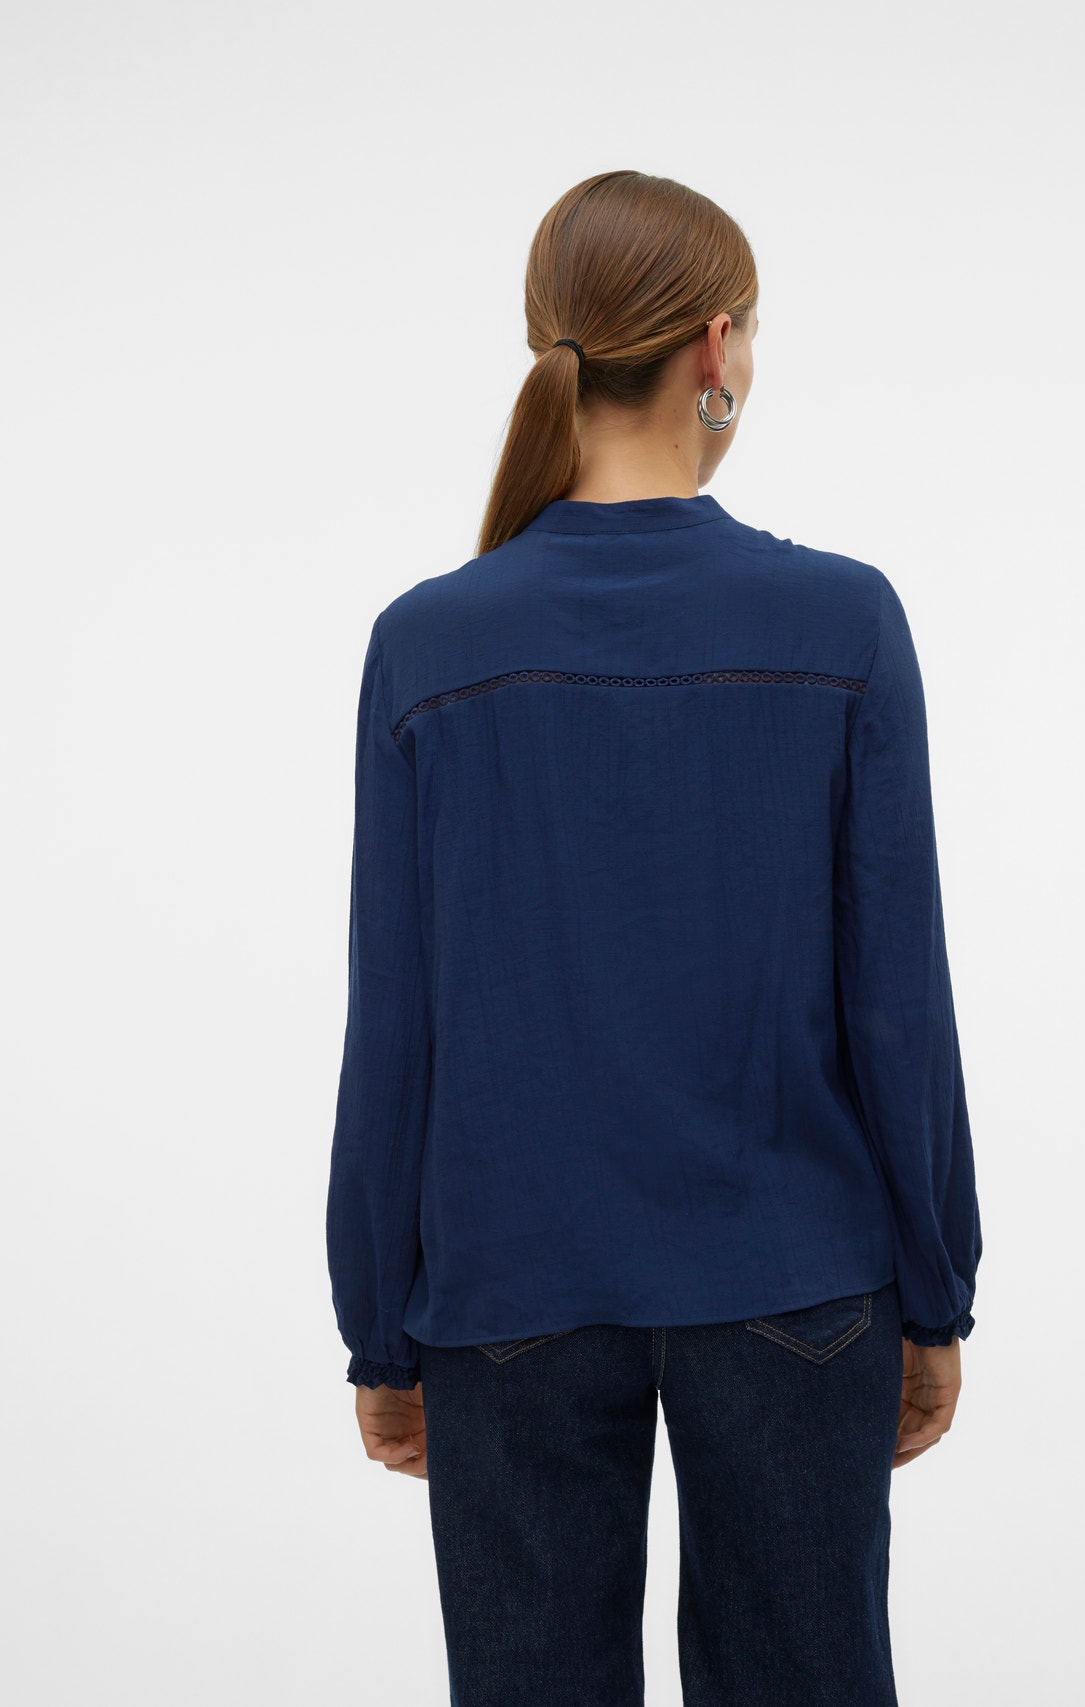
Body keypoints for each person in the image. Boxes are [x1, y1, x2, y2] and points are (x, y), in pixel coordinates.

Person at [325, 168, 982, 1707]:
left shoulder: (428, 644)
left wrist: (380, 1327)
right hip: (799, 1275)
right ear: (715, 346)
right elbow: (898, 1002)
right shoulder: (842, 624)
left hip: (506, 1292)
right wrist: (934, 1285)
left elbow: (395, 1022)